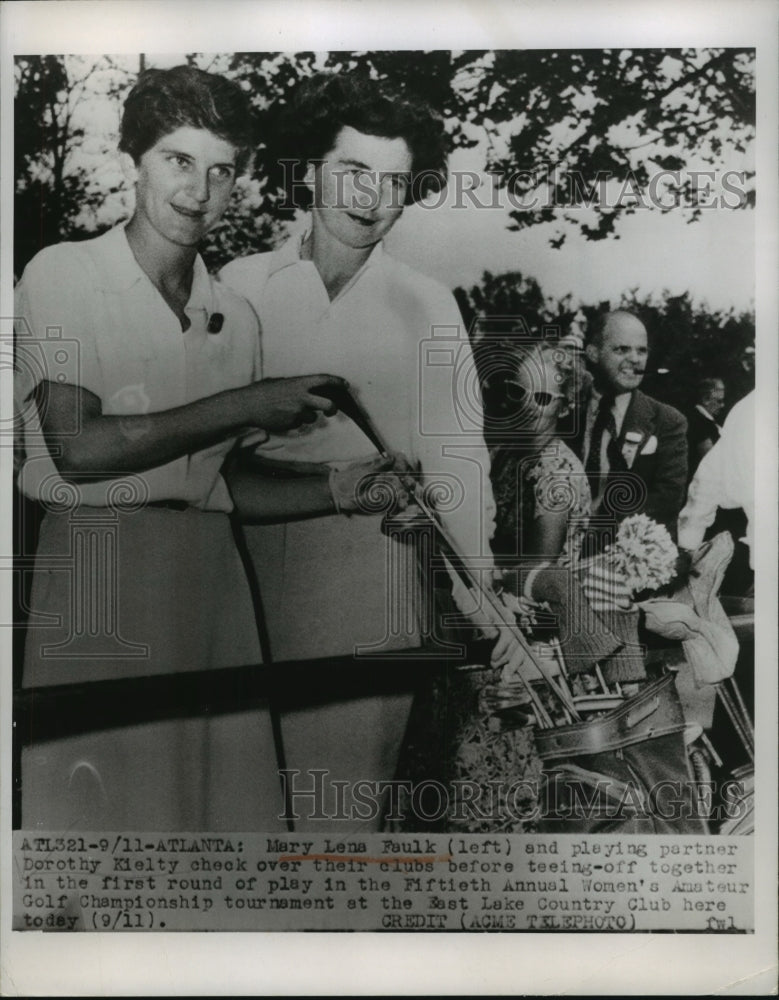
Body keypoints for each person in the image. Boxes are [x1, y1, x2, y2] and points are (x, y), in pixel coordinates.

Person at [15, 65, 398, 831]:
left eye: (221, 171)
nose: (199, 190)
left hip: (214, 585)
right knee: (107, 827)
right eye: (178, 161)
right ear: (134, 161)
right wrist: (247, 403)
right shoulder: (65, 274)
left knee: (220, 827)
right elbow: (79, 450)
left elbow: (219, 486)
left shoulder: (236, 317)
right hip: (100, 574)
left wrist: (341, 488)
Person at [219, 72, 522, 833]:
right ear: (309, 170)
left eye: (392, 180)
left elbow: (457, 460)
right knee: (238, 806)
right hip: (236, 563)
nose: (370, 197)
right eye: (352, 170)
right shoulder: (238, 285)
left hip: (372, 574)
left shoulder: (424, 302)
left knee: (339, 813)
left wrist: (478, 593)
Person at [575, 310, 688, 552]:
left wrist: (598, 527)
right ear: (593, 353)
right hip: (560, 550)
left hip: (629, 559)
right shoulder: (566, 410)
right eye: (622, 349)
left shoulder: (667, 421)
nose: (635, 359)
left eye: (642, 351)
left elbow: (667, 499)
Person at [685, 376, 725, 476]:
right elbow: (711, 460)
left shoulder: (706, 421)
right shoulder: (699, 423)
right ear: (706, 399)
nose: (722, 405)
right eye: (719, 401)